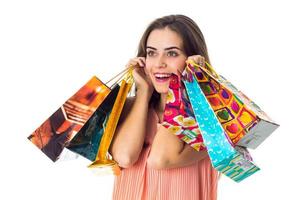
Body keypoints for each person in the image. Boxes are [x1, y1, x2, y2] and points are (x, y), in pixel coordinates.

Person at [109, 14, 219, 200]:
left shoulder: (210, 119)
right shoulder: (128, 108)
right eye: (152, 53)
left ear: (192, 58)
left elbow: (161, 158)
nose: (159, 63)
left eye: (172, 53)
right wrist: (143, 91)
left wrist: (185, 85)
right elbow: (125, 157)